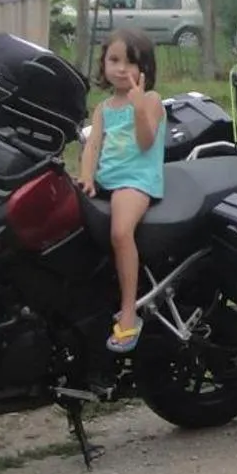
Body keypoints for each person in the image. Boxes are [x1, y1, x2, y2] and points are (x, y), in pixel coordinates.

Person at [77, 28, 165, 354]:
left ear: (145, 70)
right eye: (114, 60)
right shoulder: (103, 108)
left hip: (135, 180)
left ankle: (129, 311)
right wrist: (86, 175)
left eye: (130, 62)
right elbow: (92, 145)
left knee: (120, 231)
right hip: (107, 180)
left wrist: (139, 106)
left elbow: (145, 142)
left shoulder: (151, 100)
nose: (121, 69)